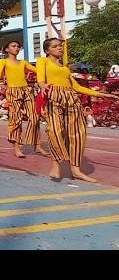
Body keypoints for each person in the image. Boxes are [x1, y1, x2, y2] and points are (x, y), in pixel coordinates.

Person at [37, 38, 119, 183]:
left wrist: (101, 94)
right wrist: (43, 85)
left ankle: (76, 170)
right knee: (55, 131)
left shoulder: (65, 68)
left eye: (60, 46)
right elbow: (40, 79)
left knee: (77, 134)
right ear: (47, 50)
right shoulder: (43, 61)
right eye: (55, 46)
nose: (59, 48)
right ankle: (56, 164)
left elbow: (77, 87)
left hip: (71, 100)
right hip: (54, 98)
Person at [0, 40, 49, 158]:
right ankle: (16, 148)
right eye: (13, 46)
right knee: (16, 119)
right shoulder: (3, 61)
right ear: (7, 49)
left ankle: (37, 145)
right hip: (13, 91)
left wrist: (50, 66)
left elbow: (38, 70)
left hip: (26, 90)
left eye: (18, 46)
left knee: (35, 116)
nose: (17, 48)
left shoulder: (23, 63)